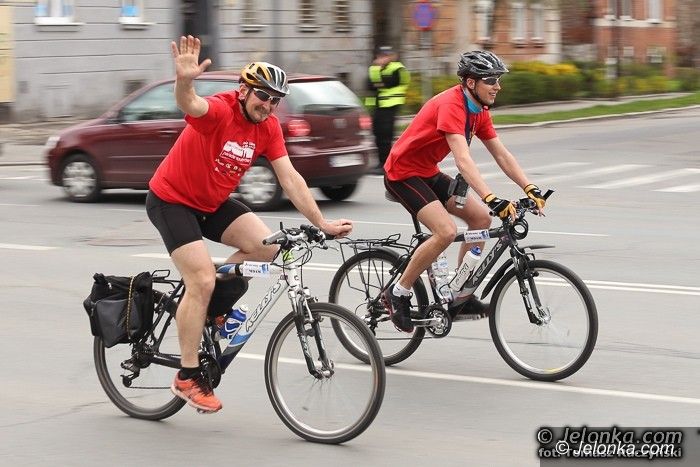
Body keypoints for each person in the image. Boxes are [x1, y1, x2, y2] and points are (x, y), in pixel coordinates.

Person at [146, 36, 353, 413]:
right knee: (201, 280)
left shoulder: (268, 127)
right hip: (172, 201)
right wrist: (184, 81)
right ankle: (187, 376)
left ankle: (210, 307)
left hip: (212, 203)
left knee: (268, 247)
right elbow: (190, 103)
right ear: (243, 91)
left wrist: (321, 223)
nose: (268, 105)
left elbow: (290, 178)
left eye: (276, 100)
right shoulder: (220, 111)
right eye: (263, 96)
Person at [382, 50, 547, 333]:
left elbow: (501, 154)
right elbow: (463, 159)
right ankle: (398, 292)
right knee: (445, 232)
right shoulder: (452, 105)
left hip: (427, 171)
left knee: (480, 220)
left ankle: (460, 295)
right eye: (491, 80)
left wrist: (530, 187)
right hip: (402, 174)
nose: (498, 86)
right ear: (471, 83)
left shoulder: (479, 110)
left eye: (498, 80)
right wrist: (492, 198)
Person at [366, 46, 410, 175]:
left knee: (386, 137)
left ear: (392, 56)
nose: (383, 58)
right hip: (377, 107)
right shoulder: (374, 68)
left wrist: (378, 82)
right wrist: (379, 81)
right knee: (377, 135)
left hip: (390, 106)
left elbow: (389, 83)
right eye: (381, 55)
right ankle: (381, 163)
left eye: (386, 56)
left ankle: (387, 165)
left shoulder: (398, 69)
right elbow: (369, 85)